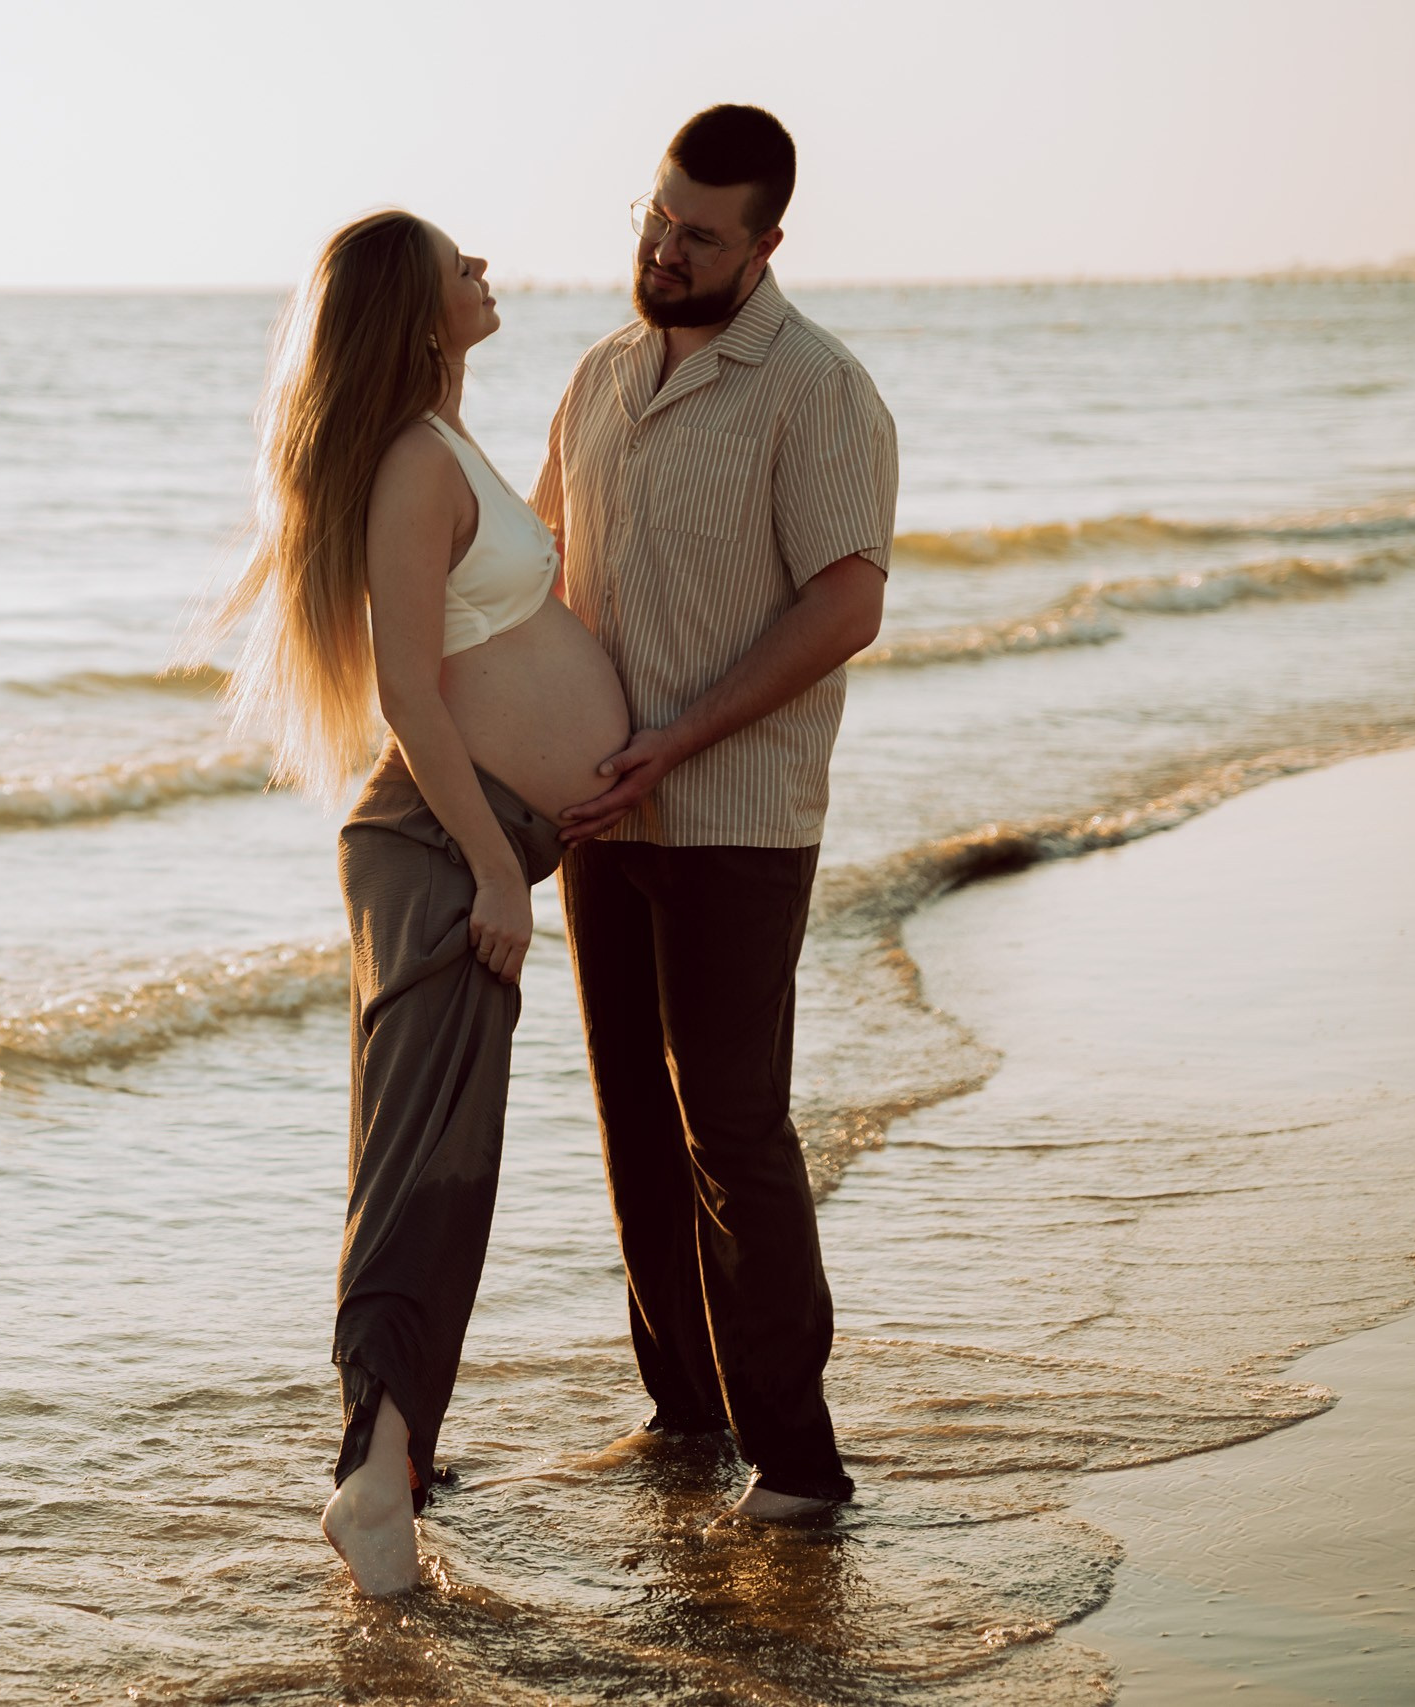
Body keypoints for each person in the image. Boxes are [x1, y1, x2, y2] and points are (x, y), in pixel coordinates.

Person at [202, 210, 629, 1594]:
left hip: (470, 844)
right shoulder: (407, 467)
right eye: (462, 266)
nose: (487, 273)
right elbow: (408, 693)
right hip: (443, 849)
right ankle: (373, 1486)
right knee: (429, 1165)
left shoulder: (444, 444)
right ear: (414, 307)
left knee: (445, 1158)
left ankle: (391, 1462)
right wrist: (501, 866)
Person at [532, 104, 898, 1521]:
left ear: (765, 244)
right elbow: (538, 566)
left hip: (740, 813)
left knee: (731, 1125)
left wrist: (679, 736)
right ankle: (685, 1419)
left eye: (697, 233)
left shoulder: (819, 388)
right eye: (655, 216)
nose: (663, 248)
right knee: (634, 1122)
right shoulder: (601, 376)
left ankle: (799, 1461)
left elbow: (848, 601)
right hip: (598, 818)